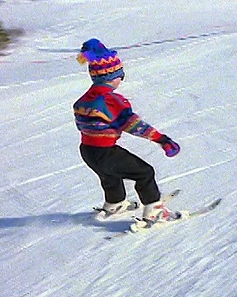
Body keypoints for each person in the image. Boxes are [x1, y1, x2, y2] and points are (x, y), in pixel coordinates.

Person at [73, 38, 181, 223]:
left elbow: (82, 124)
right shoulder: (111, 101)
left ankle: (115, 203)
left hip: (87, 150)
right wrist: (161, 139)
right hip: (105, 151)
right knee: (144, 172)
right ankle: (154, 209)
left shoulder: (84, 100)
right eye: (119, 75)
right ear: (109, 77)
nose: (121, 80)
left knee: (109, 175)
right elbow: (134, 125)